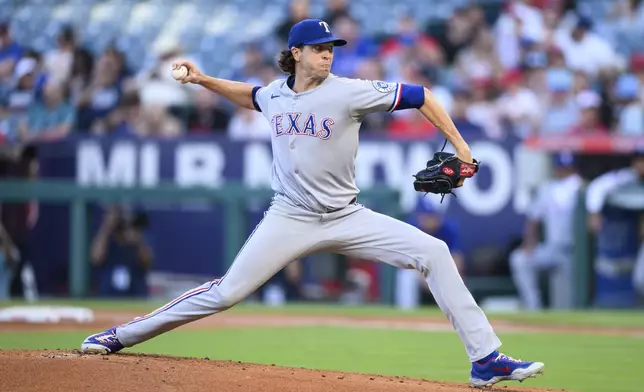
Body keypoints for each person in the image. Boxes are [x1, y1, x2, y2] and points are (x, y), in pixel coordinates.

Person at [81, 19, 544, 388]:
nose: (328, 53)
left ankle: (485, 360)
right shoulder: (276, 93)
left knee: (435, 252)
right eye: (320, 47)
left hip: (347, 215)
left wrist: (461, 148)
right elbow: (252, 96)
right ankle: (122, 335)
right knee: (227, 293)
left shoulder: (349, 90)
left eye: (332, 47)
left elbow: (422, 96)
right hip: (291, 216)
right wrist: (203, 80)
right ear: (296, 53)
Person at [509, 152, 582, 310]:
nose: (562, 171)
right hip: (552, 248)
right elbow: (533, 219)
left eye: (566, 168)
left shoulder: (581, 187)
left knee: (565, 306)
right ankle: (533, 307)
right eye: (560, 167)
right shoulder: (548, 189)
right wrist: (529, 244)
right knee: (520, 259)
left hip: (575, 253)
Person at [90, 206, 153, 298]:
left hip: (135, 296)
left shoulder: (139, 242)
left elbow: (148, 262)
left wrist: (137, 240)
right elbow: (96, 258)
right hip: (107, 296)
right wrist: (107, 227)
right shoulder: (108, 240)